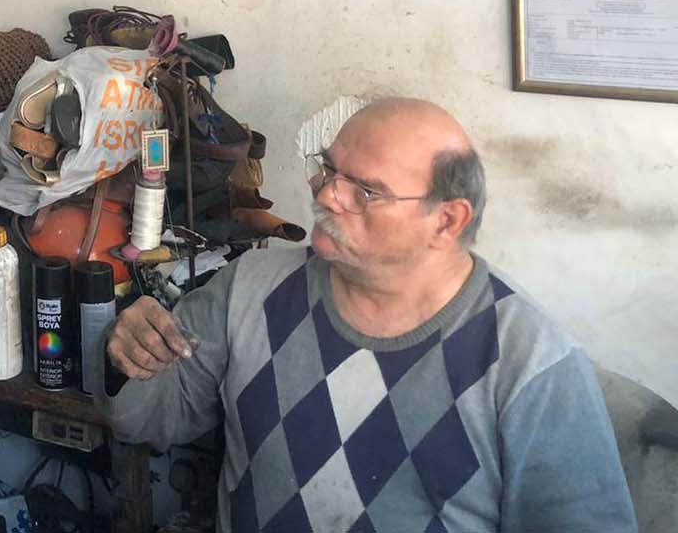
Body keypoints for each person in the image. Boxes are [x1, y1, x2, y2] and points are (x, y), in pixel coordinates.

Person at [96, 98, 636, 532]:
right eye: (329, 169)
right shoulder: (251, 288)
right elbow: (151, 419)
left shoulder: (530, 362)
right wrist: (127, 353)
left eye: (365, 190)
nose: (328, 196)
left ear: (447, 221)